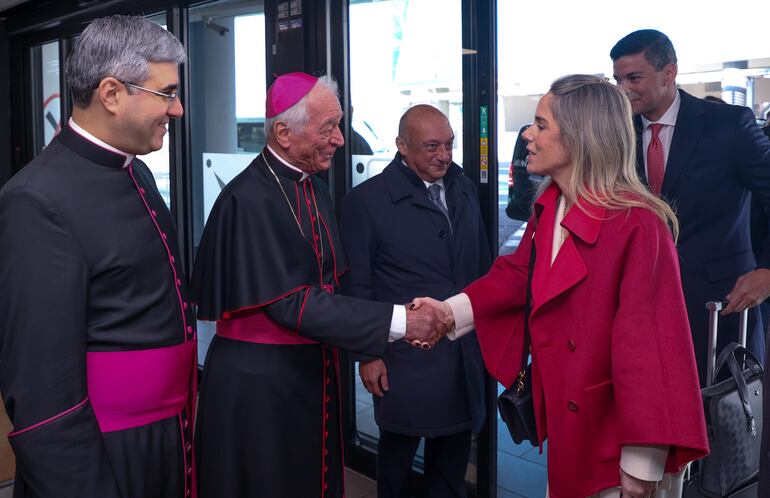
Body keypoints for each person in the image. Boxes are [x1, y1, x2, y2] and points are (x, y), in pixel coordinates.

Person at [415, 75, 709, 498]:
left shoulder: (638, 225)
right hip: (573, 427)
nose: (528, 136)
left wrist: (642, 465)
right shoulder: (550, 206)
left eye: (540, 124)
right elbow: (518, 275)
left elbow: (651, 349)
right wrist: (448, 313)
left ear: (580, 136)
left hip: (618, 442)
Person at [191, 72, 449, 498]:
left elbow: (334, 282)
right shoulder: (248, 199)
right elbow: (292, 304)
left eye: (339, 125)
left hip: (309, 373)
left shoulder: (316, 188)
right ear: (283, 132)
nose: (340, 140)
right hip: (261, 387)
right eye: (327, 127)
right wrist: (402, 320)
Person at [0, 15, 196, 498]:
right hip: (104, 452)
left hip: (165, 434)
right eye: (166, 93)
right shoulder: (36, 200)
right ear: (111, 94)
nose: (179, 110)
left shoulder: (137, 172)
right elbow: (42, 394)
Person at [340, 104, 490, 497]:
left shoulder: (464, 188)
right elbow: (358, 286)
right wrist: (368, 354)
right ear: (401, 146)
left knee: (453, 460)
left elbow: (482, 266)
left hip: (461, 348)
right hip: (404, 356)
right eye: (431, 147)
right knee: (398, 461)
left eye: (449, 145)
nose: (444, 155)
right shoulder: (366, 202)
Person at [610, 29, 770, 383]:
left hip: (719, 312)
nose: (624, 89)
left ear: (669, 72)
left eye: (634, 77)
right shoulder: (618, 135)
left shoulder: (728, 126)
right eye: (618, 79)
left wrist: (768, 272)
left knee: (721, 426)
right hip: (639, 310)